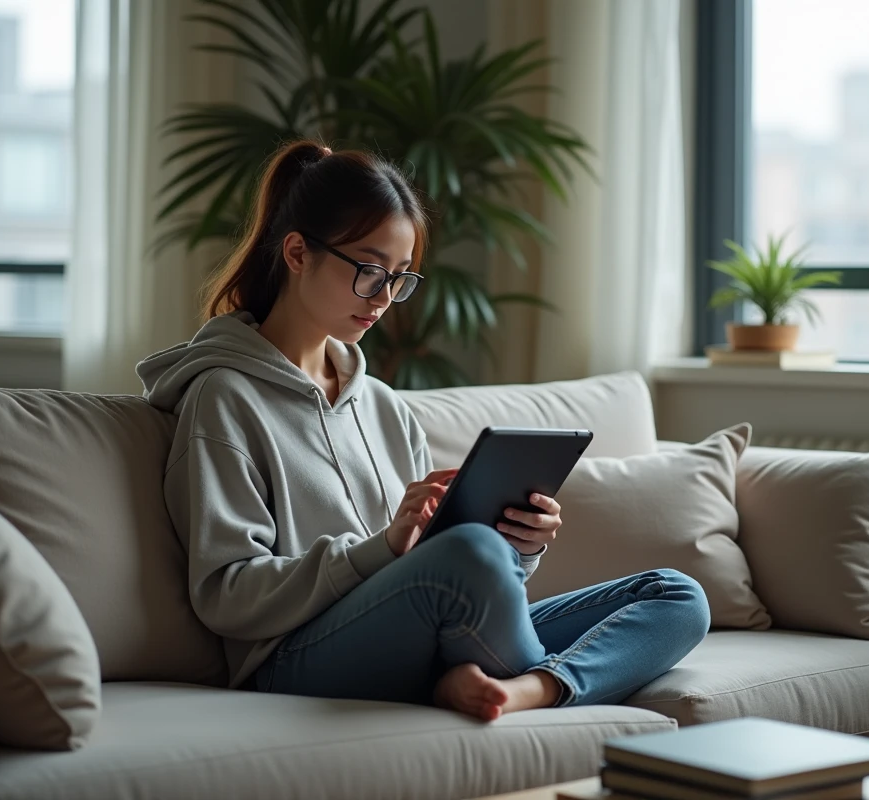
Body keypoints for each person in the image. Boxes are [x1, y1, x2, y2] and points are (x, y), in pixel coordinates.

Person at [137, 139, 711, 721]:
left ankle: (528, 690)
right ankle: (528, 681)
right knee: (469, 551)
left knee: (676, 594)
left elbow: (450, 573)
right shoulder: (223, 398)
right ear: (297, 253)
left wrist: (520, 548)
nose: (385, 298)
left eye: (400, 277)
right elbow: (226, 595)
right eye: (369, 271)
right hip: (294, 658)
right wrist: (382, 549)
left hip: (418, 631)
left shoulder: (384, 407)